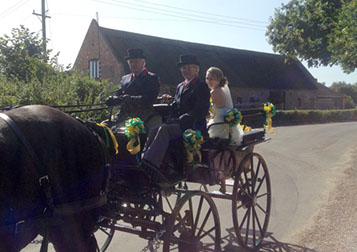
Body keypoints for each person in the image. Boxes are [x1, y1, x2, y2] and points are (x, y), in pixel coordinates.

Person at [141, 54, 210, 184]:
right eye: (184, 68)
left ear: (196, 69)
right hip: (179, 124)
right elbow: (176, 106)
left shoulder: (201, 86)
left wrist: (183, 118)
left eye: (189, 67)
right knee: (153, 130)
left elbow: (201, 109)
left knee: (164, 130)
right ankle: (150, 161)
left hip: (193, 126)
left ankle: (151, 165)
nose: (186, 70)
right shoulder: (180, 86)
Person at [105, 48, 161, 130]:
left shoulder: (151, 78)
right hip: (122, 115)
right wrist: (112, 98)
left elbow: (150, 98)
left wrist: (130, 99)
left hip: (143, 115)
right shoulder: (125, 78)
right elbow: (119, 92)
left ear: (143, 63)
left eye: (136, 61)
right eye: (131, 62)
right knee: (103, 127)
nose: (133, 64)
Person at [206, 67, 243, 145]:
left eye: (212, 79)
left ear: (218, 79)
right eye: (207, 78)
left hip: (219, 124)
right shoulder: (221, 89)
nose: (209, 81)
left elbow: (211, 110)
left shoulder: (214, 92)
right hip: (223, 122)